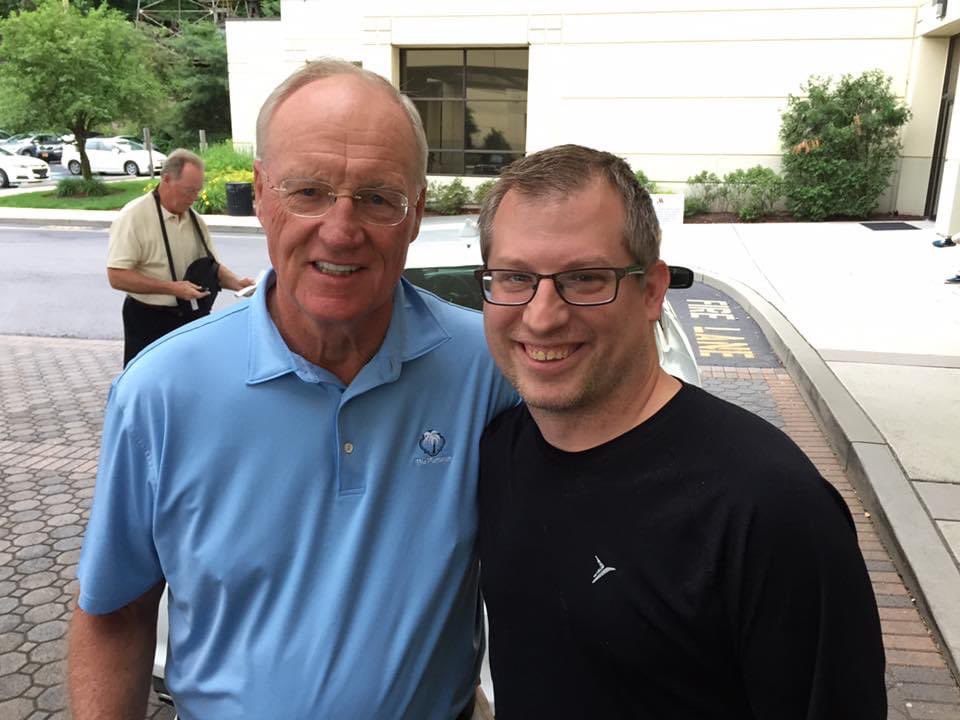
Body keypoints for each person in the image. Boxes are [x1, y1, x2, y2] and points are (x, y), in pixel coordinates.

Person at [69, 60, 516, 719]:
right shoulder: (162, 392)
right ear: (260, 196)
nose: (340, 229)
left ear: (416, 212)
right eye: (307, 191)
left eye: (377, 198)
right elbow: (115, 614)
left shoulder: (490, 369)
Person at [474, 144, 887, 718]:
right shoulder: (497, 454)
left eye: (586, 279)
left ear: (651, 290)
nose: (542, 315)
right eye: (515, 277)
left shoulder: (771, 507)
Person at [106, 148, 254, 366]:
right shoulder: (133, 217)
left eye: (197, 191)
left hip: (191, 317)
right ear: (166, 179)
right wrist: (172, 288)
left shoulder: (194, 219)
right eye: (188, 191)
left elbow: (211, 266)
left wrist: (238, 283)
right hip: (149, 319)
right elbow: (117, 276)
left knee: (191, 378)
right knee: (150, 382)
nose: (194, 198)